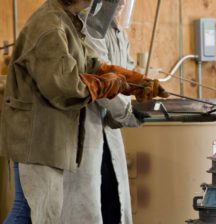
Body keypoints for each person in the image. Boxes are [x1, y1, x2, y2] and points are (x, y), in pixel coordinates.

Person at [1, 0, 167, 223]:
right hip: (38, 140)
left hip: (49, 139)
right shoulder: (50, 26)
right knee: (31, 212)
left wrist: (134, 83)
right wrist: (109, 85)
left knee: (30, 211)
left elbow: (91, 63)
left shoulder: (67, 20)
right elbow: (64, 87)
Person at [61, 0, 140, 223]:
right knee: (90, 205)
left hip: (108, 130)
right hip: (86, 125)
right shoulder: (90, 27)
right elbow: (103, 76)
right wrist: (128, 112)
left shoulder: (118, 33)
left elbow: (127, 73)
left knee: (113, 202)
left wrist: (143, 87)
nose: (124, 3)